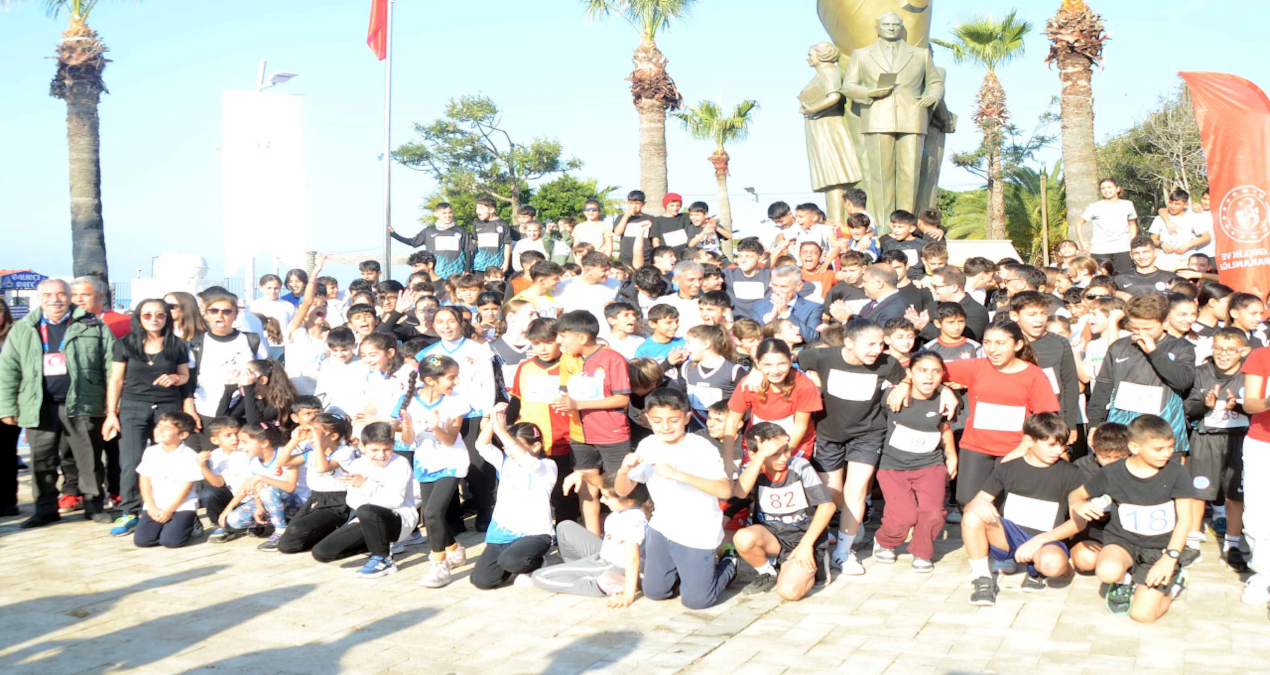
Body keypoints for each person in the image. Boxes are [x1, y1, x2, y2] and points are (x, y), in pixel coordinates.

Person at [0, 278, 115, 528]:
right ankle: (45, 510)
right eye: (48, 295)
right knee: (42, 461)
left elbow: (110, 366)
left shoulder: (92, 325)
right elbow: (9, 370)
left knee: (89, 459)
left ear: (69, 296)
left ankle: (94, 506)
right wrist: (7, 407)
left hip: (84, 404)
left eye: (61, 294)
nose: (55, 299)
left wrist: (112, 405)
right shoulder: (24, 328)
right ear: (40, 298)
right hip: (39, 406)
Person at [795, 320, 904, 573]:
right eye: (871, 344)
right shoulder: (822, 356)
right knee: (832, 493)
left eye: (881, 343)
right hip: (829, 434)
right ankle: (852, 518)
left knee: (856, 490)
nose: (877, 350)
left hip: (868, 433)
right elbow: (786, 361)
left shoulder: (888, 363)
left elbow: (908, 378)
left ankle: (844, 552)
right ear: (849, 342)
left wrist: (905, 386)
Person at [616, 388, 738, 609]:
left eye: (673, 420)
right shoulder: (647, 445)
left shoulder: (701, 447)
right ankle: (686, 574)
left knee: (697, 601)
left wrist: (678, 475)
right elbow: (623, 490)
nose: (665, 427)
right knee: (655, 592)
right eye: (657, 421)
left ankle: (730, 561)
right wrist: (623, 470)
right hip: (661, 529)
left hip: (697, 532)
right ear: (647, 419)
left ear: (687, 418)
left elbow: (724, 491)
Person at [1070, 415, 1198, 621]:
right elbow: (1076, 495)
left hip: (1160, 549)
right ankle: (1123, 581)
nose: (1167, 453)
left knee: (1142, 615)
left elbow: (1185, 519)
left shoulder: (1177, 473)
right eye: (1158, 449)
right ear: (1134, 447)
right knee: (1107, 571)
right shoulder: (1112, 472)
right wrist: (1079, 504)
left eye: (1170, 447)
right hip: (1122, 542)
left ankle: (1174, 584)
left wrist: (1170, 557)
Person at [963, 413, 1085, 605]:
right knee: (972, 513)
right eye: (1052, 445)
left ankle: (1041, 571)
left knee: (1052, 564)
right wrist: (978, 503)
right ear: (1029, 441)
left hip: (1047, 539)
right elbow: (978, 501)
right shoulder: (1007, 467)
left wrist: (1039, 541)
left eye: (1062, 445)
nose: (1059, 451)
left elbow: (1080, 522)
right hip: (1009, 535)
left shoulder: (1072, 473)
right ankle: (982, 579)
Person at [100, 298, 192, 536]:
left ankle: (175, 507)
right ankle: (129, 511)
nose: (154, 319)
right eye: (147, 315)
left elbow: (185, 376)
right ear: (138, 317)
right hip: (133, 406)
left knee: (170, 459)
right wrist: (111, 413)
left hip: (167, 406)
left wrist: (175, 378)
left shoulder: (177, 344)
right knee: (131, 461)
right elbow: (116, 380)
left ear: (167, 318)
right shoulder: (124, 344)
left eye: (160, 315)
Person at [874, 352, 957, 574]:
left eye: (936, 371)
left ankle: (922, 551)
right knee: (904, 515)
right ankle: (885, 541)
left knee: (933, 513)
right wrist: (903, 385)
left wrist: (952, 456)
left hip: (930, 464)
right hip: (893, 466)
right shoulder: (893, 396)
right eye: (922, 371)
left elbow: (945, 429)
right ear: (910, 373)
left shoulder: (946, 399)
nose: (929, 377)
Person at [730, 422, 834, 599]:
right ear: (755, 454)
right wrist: (760, 457)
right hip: (773, 538)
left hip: (803, 538)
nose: (783, 458)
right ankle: (768, 573)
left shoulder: (799, 466)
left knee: (788, 592)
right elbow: (740, 492)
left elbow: (827, 506)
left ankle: (817, 562)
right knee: (742, 537)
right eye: (774, 454)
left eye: (785, 451)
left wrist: (806, 545)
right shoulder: (752, 469)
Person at [417, 307, 497, 531]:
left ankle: (485, 512)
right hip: (443, 416)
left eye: (451, 321)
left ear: (461, 323)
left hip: (474, 414)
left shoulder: (478, 349)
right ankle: (452, 520)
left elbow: (488, 383)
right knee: (444, 463)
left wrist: (487, 414)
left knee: (478, 464)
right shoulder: (428, 353)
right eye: (440, 322)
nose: (446, 326)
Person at [555, 310, 632, 535]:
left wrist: (578, 404)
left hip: (612, 435)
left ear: (582, 337)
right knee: (586, 491)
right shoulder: (567, 359)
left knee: (618, 490)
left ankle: (624, 538)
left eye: (564, 336)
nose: (559, 341)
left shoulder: (613, 359)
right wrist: (561, 402)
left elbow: (622, 399)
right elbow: (565, 392)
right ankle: (592, 540)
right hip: (579, 435)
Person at [1087, 294, 1195, 453]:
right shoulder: (1119, 347)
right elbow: (1103, 387)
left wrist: (1154, 353)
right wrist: (1094, 424)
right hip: (1123, 431)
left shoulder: (1181, 347)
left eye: (1147, 329)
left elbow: (1183, 381)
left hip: (1163, 431)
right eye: (1135, 328)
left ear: (1165, 322)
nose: (1140, 333)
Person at [311, 422, 419, 579]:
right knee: (322, 552)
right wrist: (366, 489)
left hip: (400, 520)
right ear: (362, 447)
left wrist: (365, 485)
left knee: (367, 510)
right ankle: (378, 544)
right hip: (367, 519)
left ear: (393, 445)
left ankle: (384, 559)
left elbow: (395, 501)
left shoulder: (400, 463)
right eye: (374, 450)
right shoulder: (357, 464)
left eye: (387, 449)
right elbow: (352, 502)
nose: (381, 455)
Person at [404, 354, 474, 588]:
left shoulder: (456, 402)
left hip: (452, 460)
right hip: (425, 462)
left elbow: (450, 439)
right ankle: (453, 548)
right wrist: (407, 427)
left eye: (456, 376)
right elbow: (408, 440)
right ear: (430, 380)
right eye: (450, 377)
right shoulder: (409, 401)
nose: (455, 382)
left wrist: (435, 427)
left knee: (433, 512)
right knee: (432, 515)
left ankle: (439, 565)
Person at [1183, 327, 1249, 566]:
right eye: (1218, 348)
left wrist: (1238, 406)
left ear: (1244, 351)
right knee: (1197, 492)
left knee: (1236, 495)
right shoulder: (1200, 373)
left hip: (1239, 440)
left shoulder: (1250, 375)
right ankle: (1191, 543)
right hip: (1205, 439)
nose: (1223, 354)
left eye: (1230, 350)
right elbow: (1188, 408)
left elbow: (1259, 407)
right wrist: (1206, 404)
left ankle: (1232, 545)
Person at [470, 407, 557, 589]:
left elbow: (528, 462)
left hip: (534, 533)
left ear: (536, 446)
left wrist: (502, 432)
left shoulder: (547, 467)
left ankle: (535, 563)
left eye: (514, 445)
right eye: (506, 446)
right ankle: (514, 563)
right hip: (503, 533)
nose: (509, 451)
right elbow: (481, 445)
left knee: (511, 560)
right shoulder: (504, 462)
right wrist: (494, 421)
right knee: (482, 580)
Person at [531, 473, 649, 606]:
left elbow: (632, 559)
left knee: (540, 577)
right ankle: (580, 571)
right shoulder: (632, 505)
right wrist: (582, 474)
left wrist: (628, 595)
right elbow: (601, 484)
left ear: (629, 501)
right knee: (565, 527)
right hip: (605, 553)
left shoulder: (630, 521)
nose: (602, 500)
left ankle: (603, 584)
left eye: (607, 497)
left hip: (615, 566)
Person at [509, 318, 579, 524]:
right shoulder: (525, 367)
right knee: (533, 491)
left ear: (559, 340)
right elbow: (516, 400)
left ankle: (565, 531)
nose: (542, 348)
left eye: (548, 342)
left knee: (563, 494)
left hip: (564, 440)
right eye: (536, 343)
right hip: (530, 442)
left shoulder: (572, 365)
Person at [725, 339, 823, 474]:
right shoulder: (750, 384)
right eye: (767, 365)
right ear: (758, 364)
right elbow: (732, 421)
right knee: (752, 479)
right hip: (758, 443)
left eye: (782, 364)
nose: (775, 371)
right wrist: (728, 459)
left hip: (795, 444)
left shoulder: (804, 385)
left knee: (785, 479)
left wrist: (782, 453)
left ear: (791, 360)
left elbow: (800, 426)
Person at [189, 290, 269, 443]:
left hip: (241, 410)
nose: (220, 315)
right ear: (206, 314)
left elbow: (265, 371)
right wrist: (189, 408)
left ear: (235, 315)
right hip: (205, 410)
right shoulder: (196, 343)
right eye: (214, 311)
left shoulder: (251, 340)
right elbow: (189, 379)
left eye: (227, 311)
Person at [275, 413, 358, 554]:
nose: (311, 437)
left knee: (298, 529)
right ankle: (326, 535)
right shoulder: (311, 452)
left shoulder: (344, 452)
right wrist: (295, 440)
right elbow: (282, 462)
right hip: (315, 499)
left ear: (333, 436)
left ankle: (338, 531)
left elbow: (322, 468)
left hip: (337, 503)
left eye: (316, 433)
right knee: (287, 545)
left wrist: (318, 444)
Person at [219, 422, 303, 551]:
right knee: (234, 520)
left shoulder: (284, 454)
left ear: (264, 443)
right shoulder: (254, 461)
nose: (240, 446)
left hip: (299, 503)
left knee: (268, 491)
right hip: (271, 501)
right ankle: (280, 522)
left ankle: (281, 531)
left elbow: (290, 487)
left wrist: (261, 478)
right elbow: (254, 487)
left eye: (245, 442)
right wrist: (258, 506)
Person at [132, 412, 205, 549]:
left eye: (167, 428)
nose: (159, 430)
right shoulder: (151, 451)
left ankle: (191, 522)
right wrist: (151, 506)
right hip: (156, 504)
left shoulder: (189, 456)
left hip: (181, 505)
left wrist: (169, 511)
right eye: (159, 426)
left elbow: (187, 487)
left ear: (182, 435)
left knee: (171, 542)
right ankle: (170, 526)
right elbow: (144, 479)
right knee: (143, 541)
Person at [198, 417, 250, 542]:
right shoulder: (215, 455)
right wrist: (202, 466)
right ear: (215, 440)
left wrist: (229, 509)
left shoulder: (247, 451)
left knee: (239, 520)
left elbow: (249, 483)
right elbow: (218, 483)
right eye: (228, 435)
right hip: (232, 497)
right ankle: (220, 526)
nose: (234, 438)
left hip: (249, 497)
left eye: (236, 433)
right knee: (207, 493)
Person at [1072, 177, 1138, 274]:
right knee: (1100, 278)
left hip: (1123, 248)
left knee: (1124, 277)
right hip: (1100, 249)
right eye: (1103, 188)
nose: (1106, 190)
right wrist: (1082, 243)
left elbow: (1132, 224)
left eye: (1109, 187)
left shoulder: (1127, 205)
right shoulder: (1094, 206)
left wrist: (1132, 242)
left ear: (1117, 188)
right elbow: (1079, 223)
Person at [753, 266, 821, 344]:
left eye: (783, 287)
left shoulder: (813, 308)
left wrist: (786, 313)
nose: (778, 291)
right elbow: (751, 336)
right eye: (775, 285)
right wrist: (770, 317)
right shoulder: (759, 306)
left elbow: (813, 338)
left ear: (799, 286)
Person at [1149, 189, 1208, 272]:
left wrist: (1188, 245)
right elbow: (1152, 239)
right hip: (1165, 260)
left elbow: (1206, 237)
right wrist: (1161, 244)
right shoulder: (1159, 219)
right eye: (1171, 203)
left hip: (1187, 260)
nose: (1173, 206)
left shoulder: (1193, 218)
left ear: (1186, 204)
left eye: (1177, 204)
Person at [248, 274, 296, 360]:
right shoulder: (252, 306)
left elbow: (293, 327)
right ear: (260, 287)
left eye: (276, 288)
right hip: (259, 347)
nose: (273, 291)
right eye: (269, 288)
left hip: (282, 346)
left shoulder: (288, 306)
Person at [1115, 236, 1179, 298]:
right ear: (1131, 255)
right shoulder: (1120, 279)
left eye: (1145, 252)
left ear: (1155, 252)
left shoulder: (1170, 277)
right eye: (1136, 253)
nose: (1141, 256)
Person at [723, 239, 771, 320]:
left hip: (763, 324)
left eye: (748, 256)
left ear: (759, 258)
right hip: (737, 324)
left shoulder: (770, 276)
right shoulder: (727, 274)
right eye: (740, 256)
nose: (743, 260)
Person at [613, 191, 656, 268]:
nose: (634, 206)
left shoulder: (651, 218)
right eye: (631, 203)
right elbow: (618, 232)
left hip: (645, 258)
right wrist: (626, 216)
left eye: (637, 203)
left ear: (643, 204)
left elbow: (654, 238)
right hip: (626, 257)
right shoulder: (621, 217)